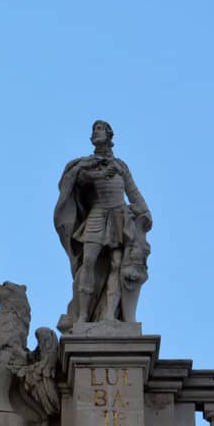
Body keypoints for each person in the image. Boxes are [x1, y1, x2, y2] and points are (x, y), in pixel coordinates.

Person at [53, 121, 151, 328]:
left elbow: (133, 192)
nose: (96, 132)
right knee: (88, 262)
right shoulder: (86, 163)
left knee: (116, 265)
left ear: (109, 135)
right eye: (94, 130)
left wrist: (144, 213)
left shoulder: (120, 166)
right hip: (97, 215)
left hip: (118, 217)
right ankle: (82, 317)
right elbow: (80, 180)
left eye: (100, 129)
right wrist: (98, 173)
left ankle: (109, 315)